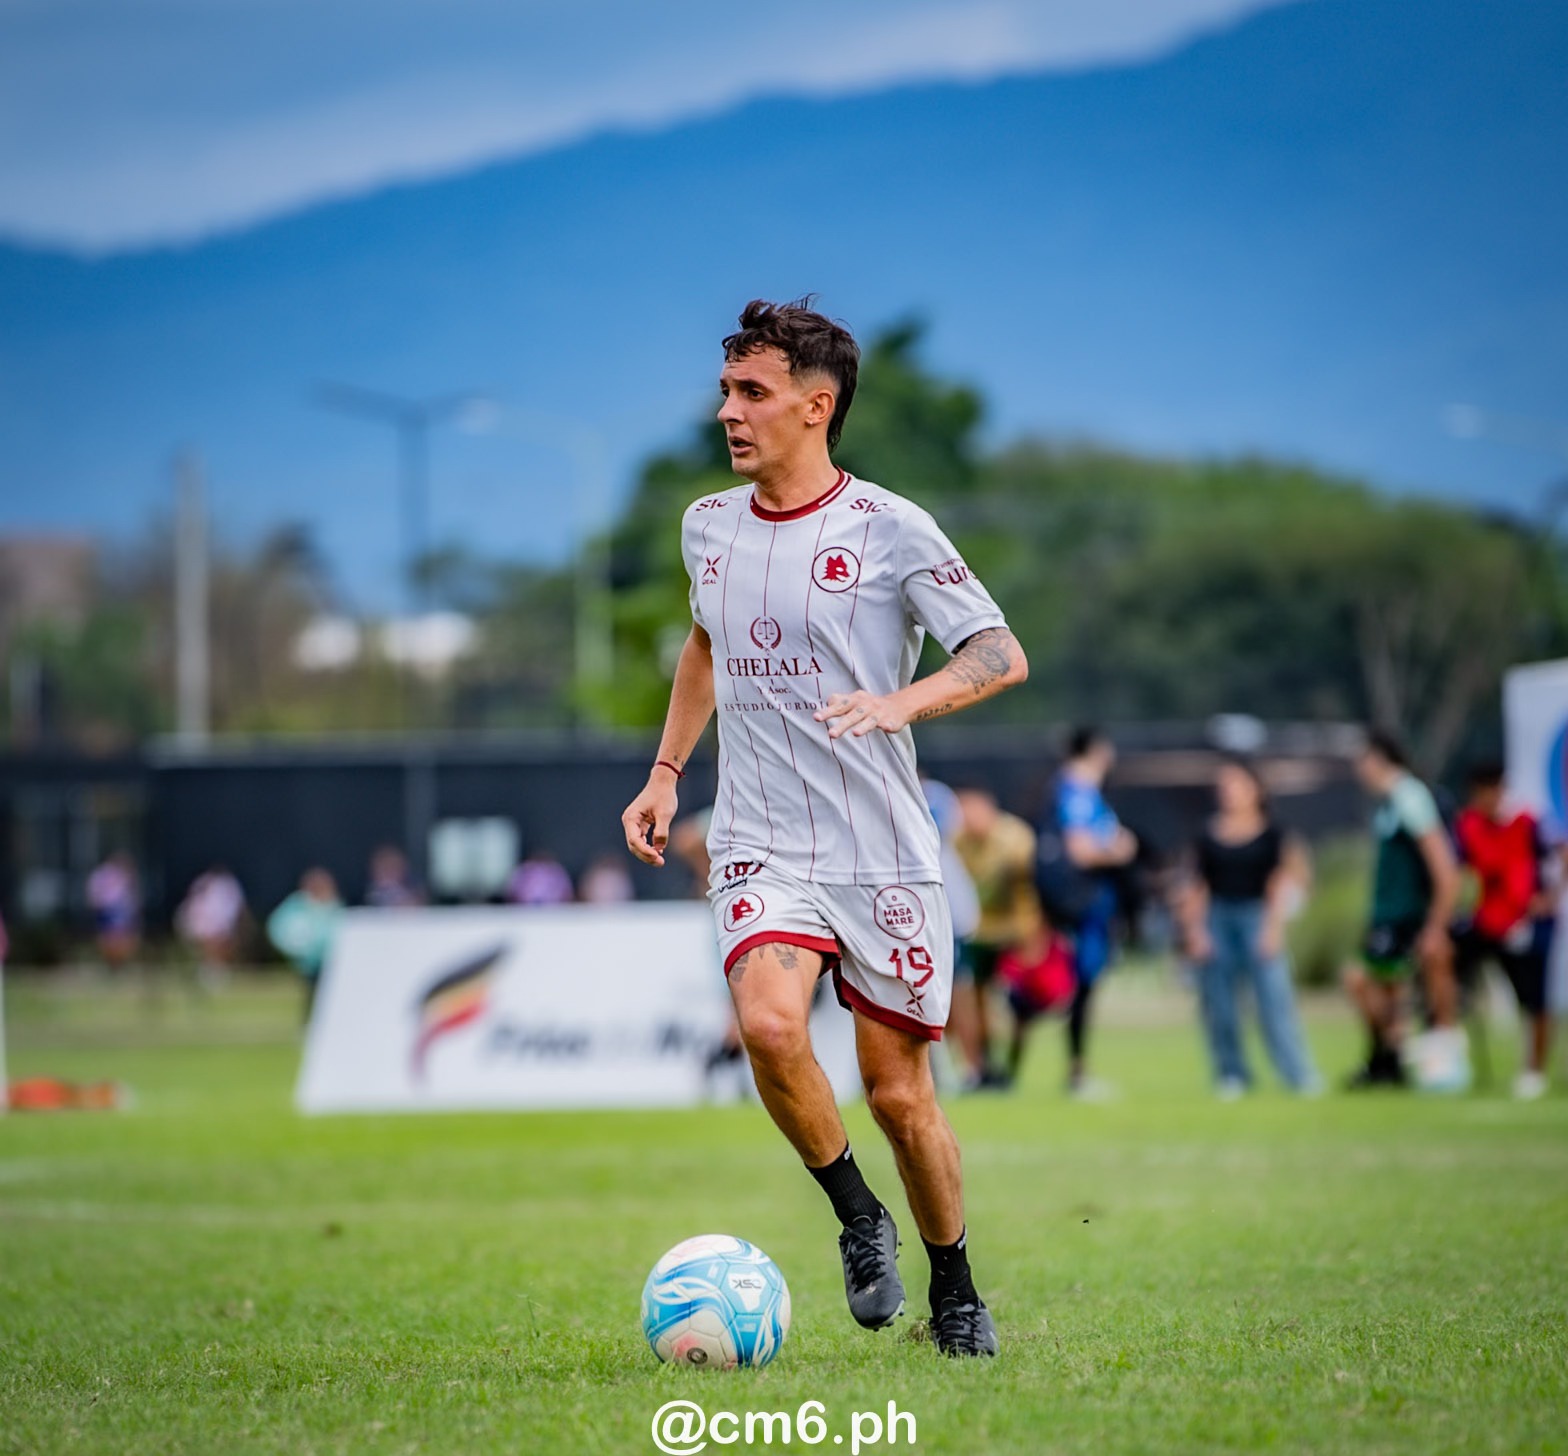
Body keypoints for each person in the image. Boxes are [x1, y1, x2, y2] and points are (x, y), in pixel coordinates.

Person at [621, 298, 1027, 1358]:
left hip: (880, 846)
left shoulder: (891, 528)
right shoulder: (705, 524)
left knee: (899, 1095)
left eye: (750, 393)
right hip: (759, 835)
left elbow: (995, 653)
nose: (727, 412)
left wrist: (899, 703)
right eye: (724, 391)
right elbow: (704, 646)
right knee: (765, 1024)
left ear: (817, 405)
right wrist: (665, 771)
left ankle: (955, 1285)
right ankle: (856, 1216)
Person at [1175, 758, 1320, 1097]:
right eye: (1224, 786)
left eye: (1237, 784)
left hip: (1259, 915)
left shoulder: (1275, 833)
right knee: (1220, 1004)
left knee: (1275, 1001)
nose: (1229, 793)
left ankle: (1298, 1074)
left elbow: (1288, 880)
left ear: (1256, 790)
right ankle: (1231, 1074)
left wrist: (1273, 927)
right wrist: (1195, 931)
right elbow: (1196, 886)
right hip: (1218, 919)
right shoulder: (1207, 834)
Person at [1342, 729, 1467, 1090]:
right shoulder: (1388, 802)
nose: (1358, 770)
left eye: (1362, 761)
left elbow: (1445, 870)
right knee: (1369, 985)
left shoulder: (1409, 797)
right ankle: (1391, 1057)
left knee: (1375, 980)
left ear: (1379, 759)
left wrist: (1436, 926)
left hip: (1410, 917)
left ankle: (1437, 1058)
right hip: (1389, 919)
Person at [1036, 727, 1138, 1099]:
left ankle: (1074, 1070)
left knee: (1077, 985)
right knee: (1077, 984)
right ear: (1097, 750)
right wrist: (1121, 850)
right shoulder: (1078, 789)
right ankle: (1076, 1073)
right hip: (1084, 902)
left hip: (1082, 901)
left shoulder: (1071, 788)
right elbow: (1081, 850)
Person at [1453, 762, 1554, 1100]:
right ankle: (1447, 1052)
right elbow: (1461, 872)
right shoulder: (1469, 826)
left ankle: (1533, 1071)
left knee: (1534, 997)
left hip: (1526, 920)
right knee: (1444, 954)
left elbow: (1559, 853)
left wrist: (1548, 898)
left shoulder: (1526, 821)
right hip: (1488, 920)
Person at [951, 787, 1042, 1088]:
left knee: (1019, 1002)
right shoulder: (956, 842)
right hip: (979, 932)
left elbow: (1032, 886)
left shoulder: (1016, 838)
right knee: (973, 1002)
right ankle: (983, 1066)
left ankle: (1012, 1064)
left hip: (1016, 931)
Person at [266, 868, 343, 1021]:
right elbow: (281, 929)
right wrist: (300, 949)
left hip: (328, 959)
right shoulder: (297, 906)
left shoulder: (332, 905)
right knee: (314, 992)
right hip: (310, 961)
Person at [175, 864, 246, 991]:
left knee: (219, 943)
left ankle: (217, 971)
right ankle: (210, 971)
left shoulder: (228, 886)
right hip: (204, 924)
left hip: (221, 923)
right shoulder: (202, 884)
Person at [86, 851, 141, 971]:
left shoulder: (121, 875)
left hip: (118, 911)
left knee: (120, 938)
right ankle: (113, 963)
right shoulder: (104, 874)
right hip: (108, 910)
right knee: (110, 938)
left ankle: (118, 963)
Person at [506, 851, 575, 906]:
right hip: (523, 909)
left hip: (554, 910)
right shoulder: (524, 870)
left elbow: (566, 893)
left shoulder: (556, 870)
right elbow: (512, 891)